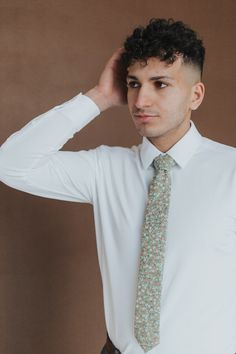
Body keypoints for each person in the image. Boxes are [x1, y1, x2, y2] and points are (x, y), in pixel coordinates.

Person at [0, 17, 236, 354]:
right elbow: (10, 164)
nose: (141, 101)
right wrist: (98, 97)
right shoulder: (106, 169)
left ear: (195, 95)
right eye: (134, 83)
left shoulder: (232, 172)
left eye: (161, 84)